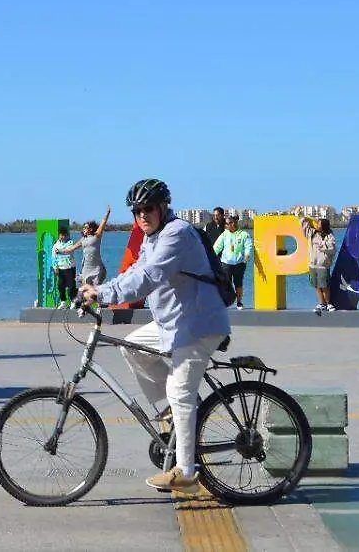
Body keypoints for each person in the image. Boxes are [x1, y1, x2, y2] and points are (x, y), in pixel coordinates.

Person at [79, 178, 231, 495]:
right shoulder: (153, 238)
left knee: (179, 390)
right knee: (132, 347)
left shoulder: (176, 234)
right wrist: (95, 291)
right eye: (137, 211)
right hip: (173, 324)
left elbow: (149, 277)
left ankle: (187, 472)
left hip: (198, 324)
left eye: (148, 209)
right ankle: (176, 413)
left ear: (162, 207)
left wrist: (103, 294)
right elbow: (134, 272)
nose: (142, 216)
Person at [212, 215, 252, 310]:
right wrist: (211, 257)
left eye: (229, 223)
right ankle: (225, 302)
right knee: (226, 284)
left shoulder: (244, 234)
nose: (228, 225)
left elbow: (248, 246)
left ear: (234, 222)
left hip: (239, 264)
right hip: (226, 263)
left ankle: (239, 302)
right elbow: (217, 247)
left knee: (238, 283)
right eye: (226, 224)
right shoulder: (224, 235)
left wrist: (246, 256)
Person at [303, 217, 337, 314]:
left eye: (319, 223)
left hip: (323, 265)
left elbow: (332, 249)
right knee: (317, 285)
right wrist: (302, 215)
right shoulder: (312, 234)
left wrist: (323, 247)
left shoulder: (330, 236)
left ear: (324, 226)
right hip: (313, 265)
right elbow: (304, 225)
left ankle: (328, 303)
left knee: (325, 285)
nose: (317, 225)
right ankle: (321, 303)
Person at [78, 207, 113, 286]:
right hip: (86, 268)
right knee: (86, 290)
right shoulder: (83, 239)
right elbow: (72, 248)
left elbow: (103, 223)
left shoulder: (96, 236)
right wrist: (62, 251)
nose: (84, 229)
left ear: (91, 229)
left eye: (86, 227)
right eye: (83, 227)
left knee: (95, 291)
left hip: (97, 269)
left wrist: (107, 213)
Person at [52, 227, 80, 308]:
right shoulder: (56, 244)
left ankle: (73, 302)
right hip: (60, 268)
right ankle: (63, 302)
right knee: (60, 286)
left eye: (64, 235)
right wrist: (55, 267)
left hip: (70, 267)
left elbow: (69, 251)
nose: (63, 237)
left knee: (71, 286)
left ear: (67, 235)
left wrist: (60, 251)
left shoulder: (71, 243)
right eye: (61, 235)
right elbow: (53, 256)